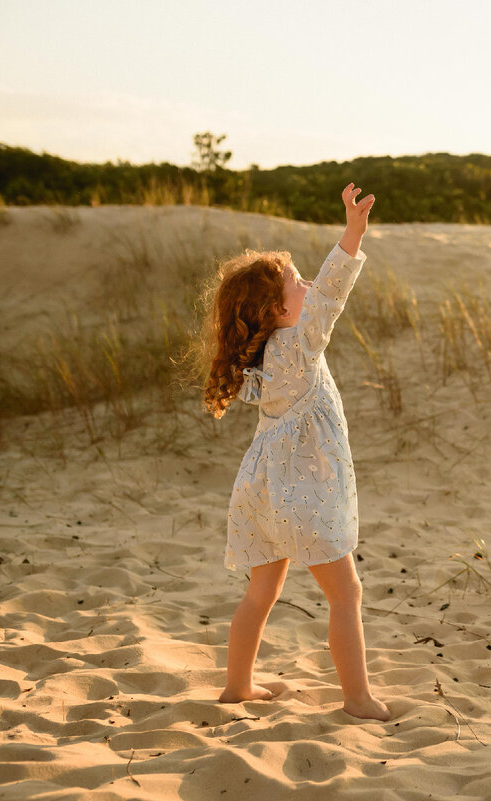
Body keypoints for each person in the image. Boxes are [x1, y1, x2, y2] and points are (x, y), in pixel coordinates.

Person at [201, 183, 390, 721]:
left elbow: (317, 294)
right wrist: (352, 233)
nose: (307, 283)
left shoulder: (260, 357)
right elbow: (330, 293)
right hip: (303, 496)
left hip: (259, 493)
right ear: (279, 310)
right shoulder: (300, 345)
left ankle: (238, 686)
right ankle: (356, 698)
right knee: (346, 594)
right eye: (296, 282)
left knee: (261, 592)